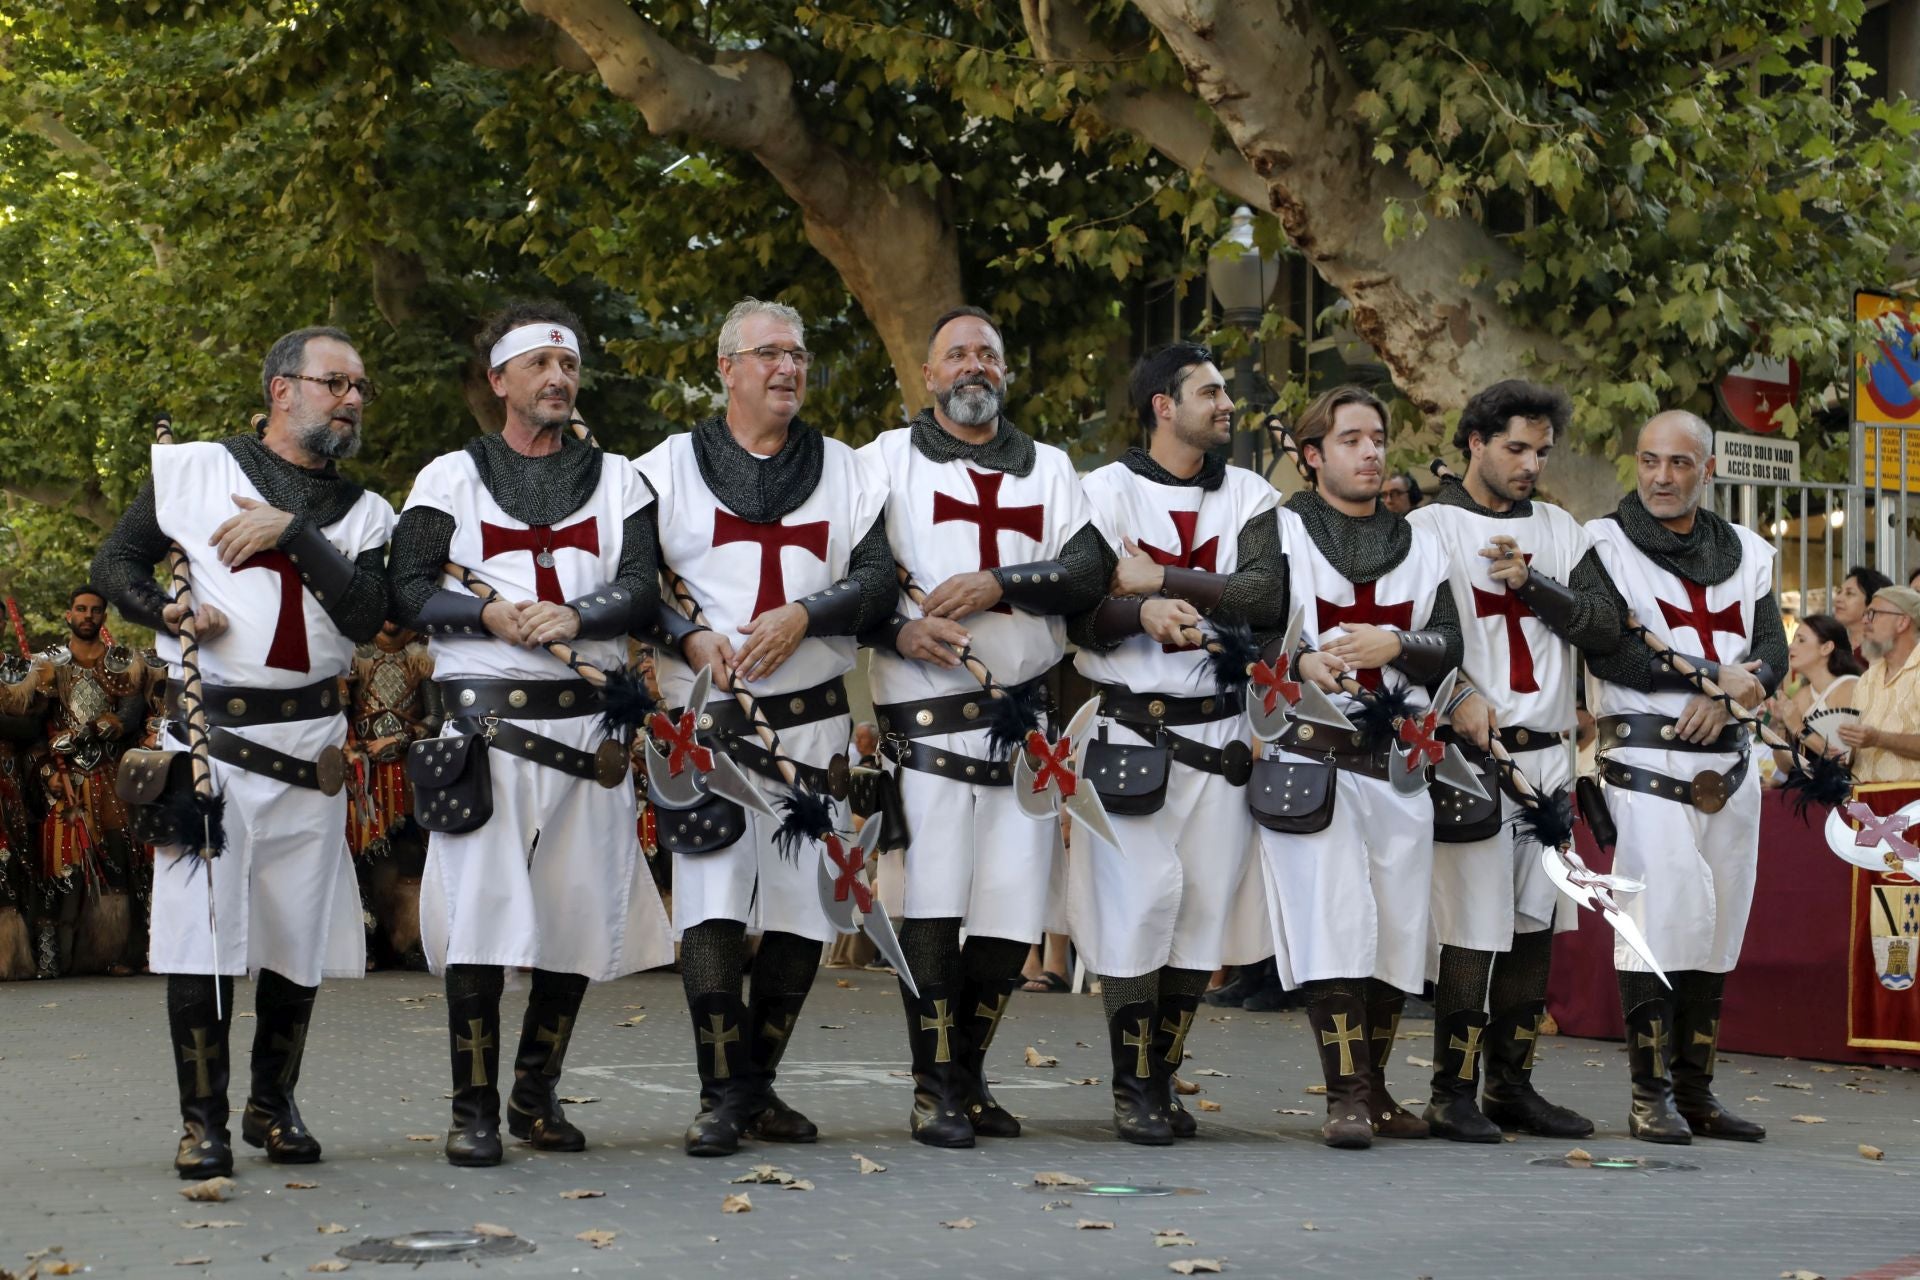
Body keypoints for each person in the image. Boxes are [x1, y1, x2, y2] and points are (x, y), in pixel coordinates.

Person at [92, 325, 395, 1178]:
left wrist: (293, 531)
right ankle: (203, 1121)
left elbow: (369, 613)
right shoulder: (194, 472)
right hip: (212, 744)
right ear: (281, 389)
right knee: (203, 940)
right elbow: (114, 559)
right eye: (337, 383)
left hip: (314, 749)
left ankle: (273, 1105)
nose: (353, 400)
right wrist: (169, 611)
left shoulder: (369, 512)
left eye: (360, 387)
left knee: (297, 941)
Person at [390, 301, 672, 1167]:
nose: (558, 379)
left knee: (575, 919)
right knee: (478, 921)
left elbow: (639, 586)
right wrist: (489, 613)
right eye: (540, 364)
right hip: (487, 730)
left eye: (570, 365)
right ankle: (472, 1107)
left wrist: (576, 613)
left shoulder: (620, 478)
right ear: (499, 380)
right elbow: (405, 587)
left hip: (588, 734)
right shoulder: (449, 478)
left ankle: (535, 1095)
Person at [635, 297, 893, 1158]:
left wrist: (807, 614)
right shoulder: (663, 469)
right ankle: (722, 1093)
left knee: (797, 915)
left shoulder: (850, 471)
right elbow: (640, 582)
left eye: (799, 353)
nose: (788, 368)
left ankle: (758, 1089)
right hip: (708, 727)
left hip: (812, 727)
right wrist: (687, 635)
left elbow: (879, 579)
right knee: (709, 904)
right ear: (727, 369)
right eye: (770, 353)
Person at [859, 305, 1106, 1148]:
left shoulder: (1051, 467)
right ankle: (935, 1087)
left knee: (1007, 914)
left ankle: (965, 1076)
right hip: (924, 718)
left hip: (1023, 719)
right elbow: (854, 577)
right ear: (928, 375)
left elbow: (1086, 571)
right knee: (930, 902)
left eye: (989, 355)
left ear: (1006, 372)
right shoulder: (882, 462)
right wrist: (898, 628)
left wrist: (1002, 581)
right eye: (957, 354)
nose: (974, 366)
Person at [1066, 342, 1284, 1144]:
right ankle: (1132, 1087)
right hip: (1133, 728)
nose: (1227, 405)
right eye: (1211, 392)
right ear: (1163, 404)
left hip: (1221, 735)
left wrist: (1159, 583)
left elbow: (1265, 598)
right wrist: (1135, 616)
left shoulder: (1253, 497)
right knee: (1139, 905)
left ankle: (1160, 1078)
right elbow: (1080, 612)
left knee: (1198, 914)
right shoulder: (1101, 493)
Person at [1409, 380, 1619, 1142]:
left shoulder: (1561, 529)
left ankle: (1512, 1086)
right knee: (1473, 927)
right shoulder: (1427, 528)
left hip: (1551, 758)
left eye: (1540, 451)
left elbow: (1603, 625)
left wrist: (1535, 584)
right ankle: (1450, 1092)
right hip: (1473, 753)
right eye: (1514, 448)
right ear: (1474, 442)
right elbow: (1410, 634)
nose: (1529, 464)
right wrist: (1455, 690)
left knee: (1537, 925)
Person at [1259, 385, 1463, 1150]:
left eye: (1378, 438)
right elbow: (1244, 629)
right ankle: (1343, 1095)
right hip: (1315, 760)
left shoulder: (1422, 542)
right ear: (1312, 456)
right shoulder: (1278, 531)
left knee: (1394, 934)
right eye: (1351, 440)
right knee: (1336, 928)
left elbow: (1449, 642)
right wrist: (1299, 659)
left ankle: (1375, 1093)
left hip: (1400, 765)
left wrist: (1395, 645)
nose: (1371, 452)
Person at [1583, 409, 1786, 1145]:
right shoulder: (1600, 545)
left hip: (1731, 763)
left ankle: (1697, 1090)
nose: (1662, 478)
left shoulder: (1752, 553)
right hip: (1645, 764)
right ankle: (1650, 1092)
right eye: (1649, 461)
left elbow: (1771, 653)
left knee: (1716, 924)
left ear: (1706, 469)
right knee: (1653, 923)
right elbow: (1607, 648)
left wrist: (1720, 695)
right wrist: (1705, 682)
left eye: (1678, 464)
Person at [30, 589, 151, 976]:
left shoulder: (122, 663)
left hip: (110, 772)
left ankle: (115, 953)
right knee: (60, 868)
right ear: (68, 614)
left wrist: (110, 724)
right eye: (81, 609)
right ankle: (53, 959)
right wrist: (47, 766)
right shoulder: (48, 664)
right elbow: (31, 723)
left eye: (95, 610)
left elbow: (132, 716)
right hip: (61, 777)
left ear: (103, 617)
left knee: (118, 861)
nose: (88, 615)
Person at [343, 622, 440, 969]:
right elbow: (342, 711)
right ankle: (368, 941)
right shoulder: (355, 653)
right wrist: (350, 747)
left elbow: (435, 716)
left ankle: (410, 939)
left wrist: (398, 740)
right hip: (362, 771)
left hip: (408, 768)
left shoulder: (422, 658)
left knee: (412, 853)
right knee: (361, 858)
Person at [1837, 587, 1920, 782]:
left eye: (1873, 613)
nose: (1865, 620)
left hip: (1913, 806)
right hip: (1865, 804)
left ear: (1902, 622)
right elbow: (1857, 750)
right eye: (1866, 614)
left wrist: (1879, 739)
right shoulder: (1867, 679)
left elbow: (1875, 738)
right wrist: (1845, 749)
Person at [1766, 613, 1859, 772]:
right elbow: (1785, 768)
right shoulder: (1800, 696)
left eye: (1801, 640)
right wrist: (1782, 724)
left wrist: (1798, 728)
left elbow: (1842, 760)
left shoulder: (1849, 688)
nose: (1791, 646)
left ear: (1826, 648)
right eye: (1794, 639)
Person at [1833, 566, 1892, 669]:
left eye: (1849, 593)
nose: (1838, 599)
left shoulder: (1884, 651)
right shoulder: (1832, 647)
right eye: (1839, 592)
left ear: (1872, 602)